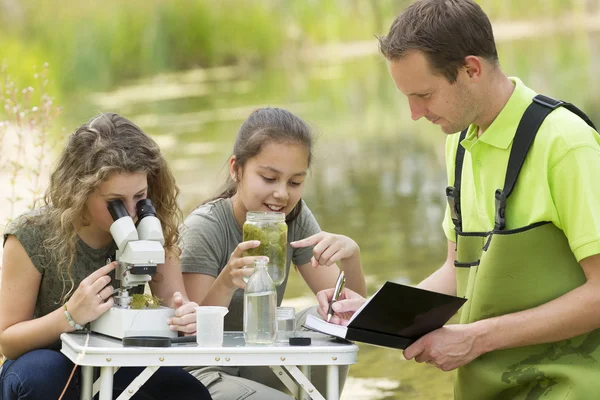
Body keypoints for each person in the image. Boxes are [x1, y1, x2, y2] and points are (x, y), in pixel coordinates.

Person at [317, 0, 600, 398]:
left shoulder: (565, 145)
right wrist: (379, 316)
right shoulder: (460, 143)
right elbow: (459, 269)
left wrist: (477, 338)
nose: (415, 113)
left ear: (471, 69)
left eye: (425, 94)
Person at [0, 113, 212, 400]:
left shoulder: (150, 226)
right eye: (116, 203)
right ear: (80, 191)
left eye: (140, 196)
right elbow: (8, 340)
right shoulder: (32, 235)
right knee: (44, 375)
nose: (133, 211)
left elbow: (176, 304)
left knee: (187, 392)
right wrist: (70, 316)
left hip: (113, 360)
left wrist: (185, 318)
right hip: (42, 361)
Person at [179, 107, 367, 399]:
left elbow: (348, 316)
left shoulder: (294, 218)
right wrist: (227, 280)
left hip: (256, 356)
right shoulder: (205, 228)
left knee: (328, 325)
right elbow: (190, 335)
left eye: (294, 182)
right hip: (204, 370)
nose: (282, 194)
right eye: (268, 178)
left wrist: (351, 257)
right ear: (236, 169)